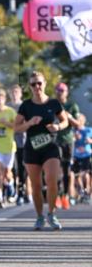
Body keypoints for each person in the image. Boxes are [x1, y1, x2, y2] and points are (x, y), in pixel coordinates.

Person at [13, 71, 67, 230]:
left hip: (50, 147)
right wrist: (29, 123)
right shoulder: (26, 105)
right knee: (36, 185)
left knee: (51, 180)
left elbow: (65, 121)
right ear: (30, 87)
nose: (37, 86)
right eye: (33, 84)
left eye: (39, 83)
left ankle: (51, 213)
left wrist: (57, 126)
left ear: (45, 84)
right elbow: (16, 128)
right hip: (32, 148)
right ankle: (39, 216)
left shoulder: (54, 103)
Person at [53, 80, 81, 208]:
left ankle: (66, 195)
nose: (60, 93)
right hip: (55, 140)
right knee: (56, 168)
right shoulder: (52, 105)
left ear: (66, 92)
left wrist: (69, 117)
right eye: (58, 90)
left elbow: (78, 124)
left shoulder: (72, 105)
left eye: (62, 90)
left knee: (67, 170)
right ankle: (57, 196)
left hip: (68, 140)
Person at [8, 83, 29, 204]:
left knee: (22, 167)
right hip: (8, 140)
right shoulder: (7, 107)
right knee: (11, 167)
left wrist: (16, 125)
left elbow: (26, 123)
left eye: (16, 92)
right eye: (12, 92)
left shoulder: (24, 106)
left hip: (21, 140)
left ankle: (22, 191)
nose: (14, 94)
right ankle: (12, 190)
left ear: (20, 94)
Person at [73, 115, 92, 203]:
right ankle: (81, 193)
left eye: (79, 120)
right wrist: (74, 138)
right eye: (76, 120)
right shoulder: (74, 131)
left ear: (83, 121)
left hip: (86, 155)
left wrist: (90, 141)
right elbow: (71, 141)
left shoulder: (88, 130)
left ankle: (87, 193)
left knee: (86, 174)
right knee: (77, 175)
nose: (77, 121)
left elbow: (90, 140)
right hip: (76, 156)